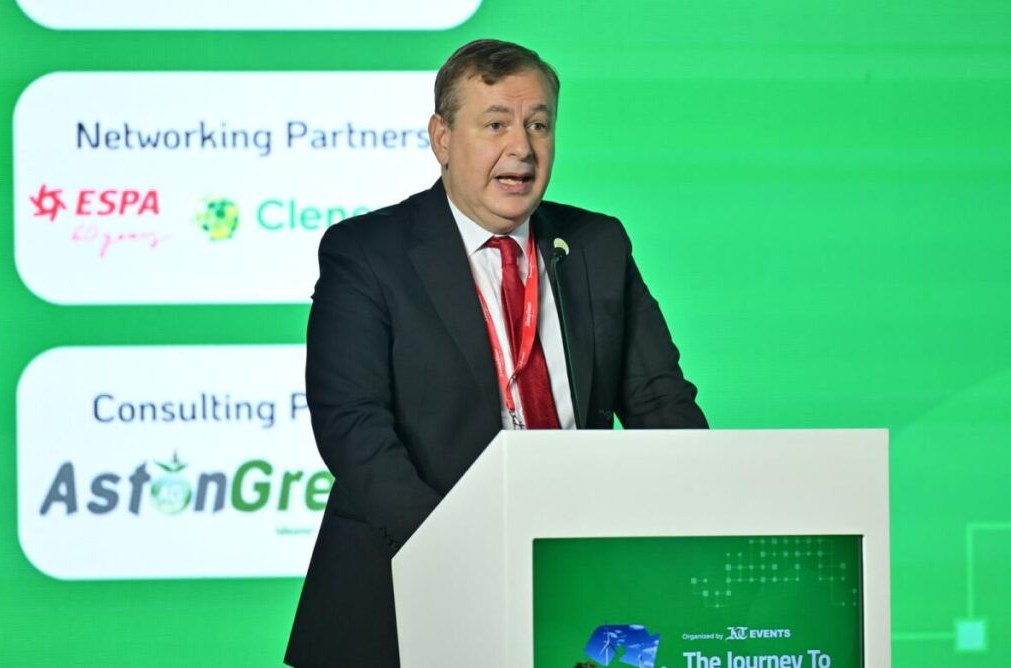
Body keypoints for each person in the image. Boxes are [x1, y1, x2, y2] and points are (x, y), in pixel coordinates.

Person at [285, 39, 707, 667]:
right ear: (442, 137)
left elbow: (660, 401)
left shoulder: (597, 244)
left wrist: (703, 513)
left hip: (575, 587)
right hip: (407, 589)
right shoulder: (368, 253)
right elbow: (353, 428)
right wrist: (463, 551)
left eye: (539, 124)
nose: (522, 148)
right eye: (495, 124)